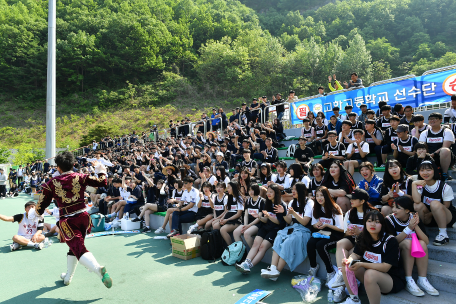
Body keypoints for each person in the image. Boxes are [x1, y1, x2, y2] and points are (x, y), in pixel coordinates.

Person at [32, 152, 112, 288]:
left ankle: (98, 269)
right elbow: (102, 182)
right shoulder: (80, 176)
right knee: (74, 247)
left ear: (58, 167)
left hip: (68, 221)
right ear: (73, 164)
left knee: (79, 248)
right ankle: (68, 276)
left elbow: (40, 208)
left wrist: (34, 214)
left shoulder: (51, 183)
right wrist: (101, 170)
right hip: (84, 217)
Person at [340, 210, 405, 304]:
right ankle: (354, 299)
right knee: (348, 265)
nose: (373, 224)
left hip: (391, 280)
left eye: (377, 222)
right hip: (370, 277)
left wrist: (361, 264)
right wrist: (349, 259)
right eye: (369, 221)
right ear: (365, 223)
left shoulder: (390, 241)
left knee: (370, 274)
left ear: (382, 225)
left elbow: (385, 267)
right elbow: (356, 254)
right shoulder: (363, 236)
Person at [386, 196, 439, 297]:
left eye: (397, 208)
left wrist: (416, 225)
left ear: (407, 210)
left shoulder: (414, 218)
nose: (394, 210)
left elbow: (426, 241)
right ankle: (408, 279)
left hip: (415, 254)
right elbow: (393, 242)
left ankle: (422, 279)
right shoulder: (389, 219)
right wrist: (409, 228)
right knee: (407, 243)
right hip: (398, 254)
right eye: (393, 207)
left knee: (422, 243)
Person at [331, 189, 377, 301]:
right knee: (340, 243)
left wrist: (360, 233)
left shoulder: (372, 213)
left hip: (368, 243)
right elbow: (345, 232)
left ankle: (350, 293)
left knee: (350, 257)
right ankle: (341, 274)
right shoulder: (350, 213)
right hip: (353, 240)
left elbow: (377, 234)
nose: (351, 200)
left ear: (362, 201)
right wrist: (349, 232)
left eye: (354, 199)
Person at [261, 182, 313, 280]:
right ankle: (272, 268)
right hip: (294, 228)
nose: (293, 191)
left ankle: (277, 272)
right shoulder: (293, 202)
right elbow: (289, 220)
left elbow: (305, 222)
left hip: (305, 231)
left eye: (295, 189)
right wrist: (284, 212)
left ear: (301, 191)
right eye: (292, 189)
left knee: (288, 243)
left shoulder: (309, 202)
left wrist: (293, 212)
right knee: (279, 237)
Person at [235, 184, 287, 274]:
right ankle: (245, 263)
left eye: (271, 192)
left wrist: (269, 217)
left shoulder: (281, 205)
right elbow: (265, 219)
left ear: (276, 193)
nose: (268, 194)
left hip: (275, 230)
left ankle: (249, 266)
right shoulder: (267, 203)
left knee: (262, 247)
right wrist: (259, 218)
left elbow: (280, 222)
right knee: (255, 243)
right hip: (265, 227)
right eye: (267, 192)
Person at [411, 161, 456, 246]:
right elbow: (416, 201)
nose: (425, 173)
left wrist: (431, 214)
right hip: (429, 218)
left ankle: (443, 234)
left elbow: (446, 205)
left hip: (446, 217)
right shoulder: (420, 185)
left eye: (428, 170)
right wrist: (414, 184)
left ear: (434, 171)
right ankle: (422, 232)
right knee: (417, 205)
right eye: (422, 170)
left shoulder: (444, 187)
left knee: (434, 203)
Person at [307, 186, 344, 285]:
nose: (319, 198)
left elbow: (342, 229)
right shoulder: (316, 208)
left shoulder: (335, 208)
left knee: (320, 245)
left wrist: (328, 225)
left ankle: (330, 271)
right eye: (317, 195)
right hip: (322, 233)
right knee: (310, 243)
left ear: (327, 196)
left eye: (322, 195)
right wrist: (316, 225)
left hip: (335, 234)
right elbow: (314, 224)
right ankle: (313, 267)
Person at [419, 112, 455, 180]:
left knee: (445, 150)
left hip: (444, 157)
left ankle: (444, 173)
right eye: (430, 119)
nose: (432, 121)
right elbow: (421, 146)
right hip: (428, 156)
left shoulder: (447, 131)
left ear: (441, 120)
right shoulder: (425, 133)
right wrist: (428, 155)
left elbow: (445, 146)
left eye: (434, 119)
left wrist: (434, 154)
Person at [233, 184, 265, 248]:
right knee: (235, 232)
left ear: (257, 190)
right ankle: (242, 252)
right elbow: (246, 215)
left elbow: (259, 217)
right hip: (248, 222)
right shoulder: (248, 200)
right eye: (249, 190)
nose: (250, 192)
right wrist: (245, 224)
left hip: (258, 223)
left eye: (252, 190)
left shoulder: (262, 201)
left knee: (246, 233)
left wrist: (248, 226)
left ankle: (252, 252)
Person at [214, 181, 244, 245]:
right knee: (215, 226)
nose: (227, 190)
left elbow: (239, 214)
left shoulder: (239, 198)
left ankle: (230, 247)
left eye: (229, 188)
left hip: (236, 220)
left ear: (234, 188)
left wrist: (226, 220)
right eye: (227, 188)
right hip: (228, 217)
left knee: (223, 230)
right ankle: (220, 247)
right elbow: (227, 211)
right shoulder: (229, 197)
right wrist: (222, 219)